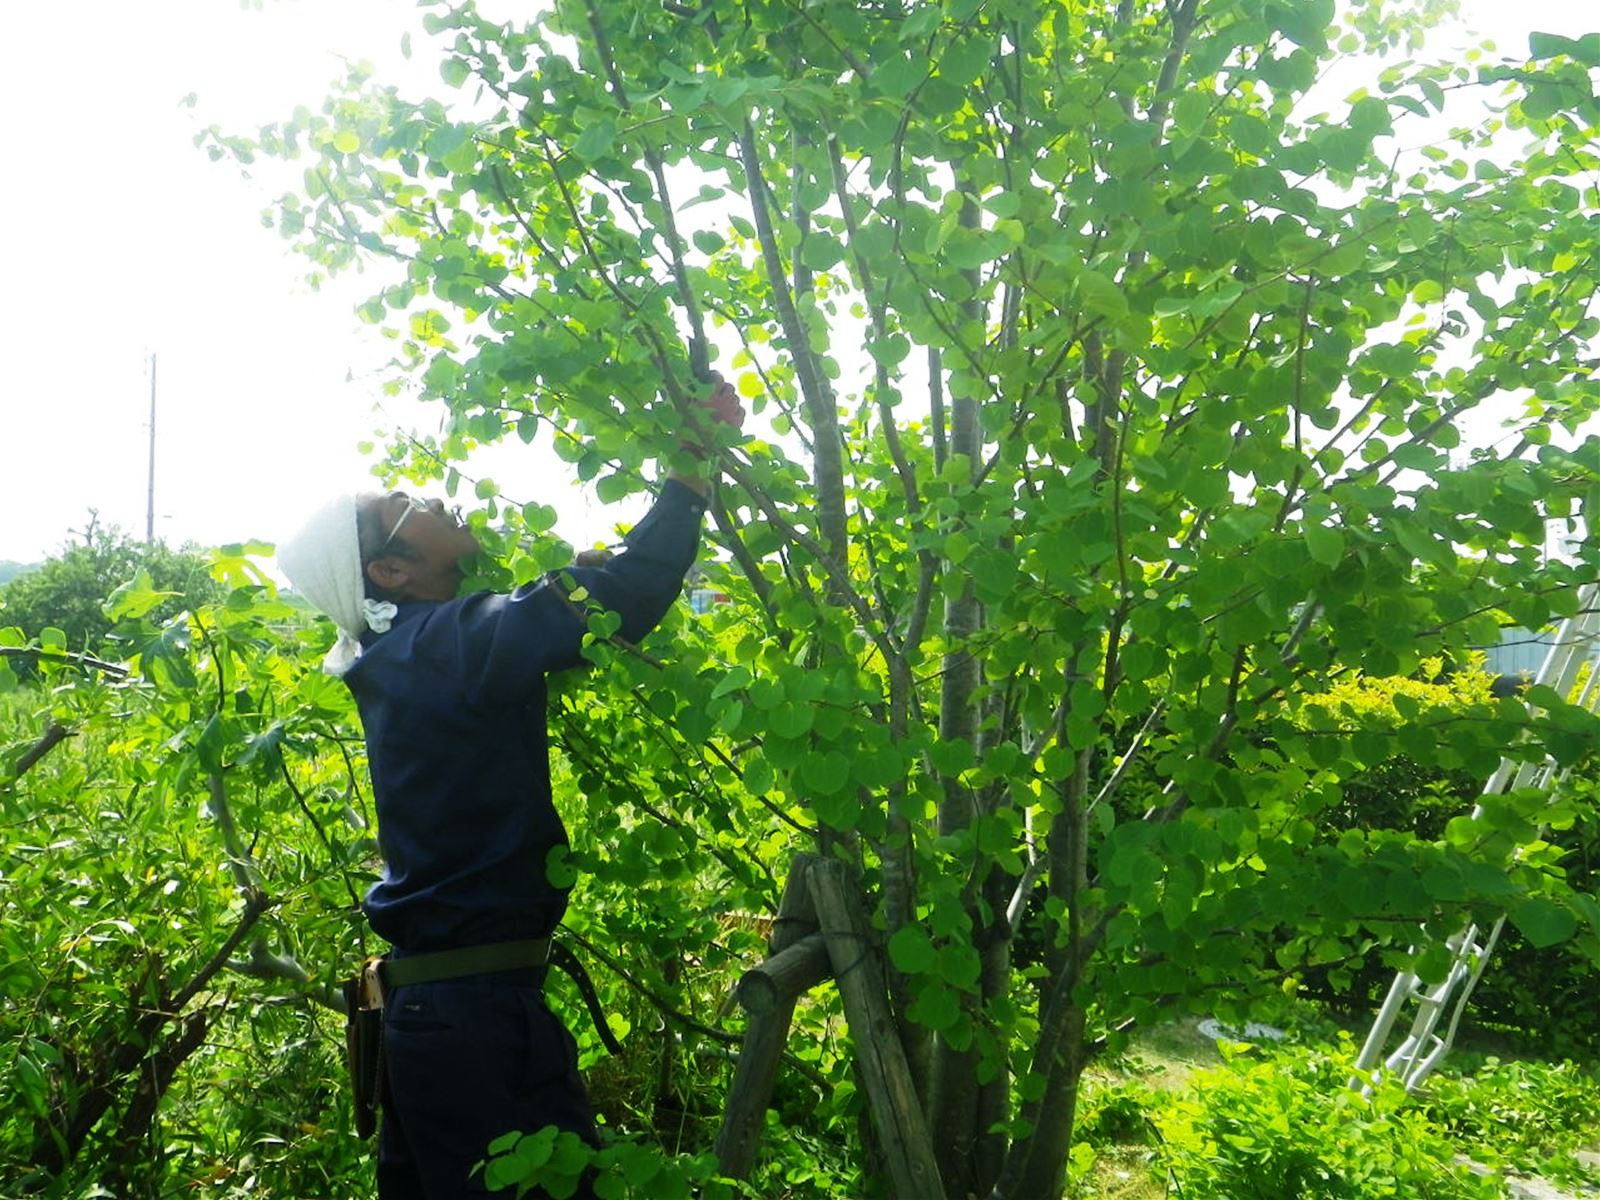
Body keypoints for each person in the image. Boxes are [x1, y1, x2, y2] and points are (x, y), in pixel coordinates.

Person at [278, 378, 744, 1199]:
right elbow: (626, 595)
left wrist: (575, 594)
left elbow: (557, 617)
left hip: (437, 1019)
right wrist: (692, 464)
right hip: (474, 1025)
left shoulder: (412, 654)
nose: (428, 496)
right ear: (391, 569)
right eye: (402, 505)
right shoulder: (444, 643)